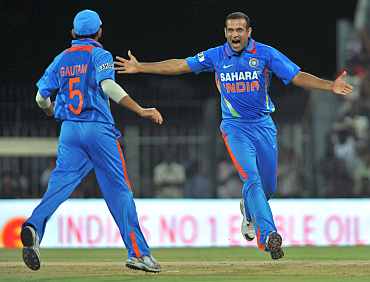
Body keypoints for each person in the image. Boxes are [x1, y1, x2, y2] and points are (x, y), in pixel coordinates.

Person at [115, 11, 353, 259]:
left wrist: (330, 86)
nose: (234, 35)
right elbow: (181, 64)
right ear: (225, 33)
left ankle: (248, 211)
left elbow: (296, 75)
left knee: (268, 187)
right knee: (252, 179)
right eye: (230, 30)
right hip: (234, 128)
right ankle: (269, 236)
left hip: (263, 126)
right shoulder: (217, 55)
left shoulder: (265, 53)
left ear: (249, 32)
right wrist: (141, 66)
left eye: (239, 30)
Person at [21, 10, 162, 273]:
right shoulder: (100, 54)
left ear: (73, 33)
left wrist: (52, 112)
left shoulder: (61, 59)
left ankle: (34, 226)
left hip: (69, 131)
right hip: (98, 130)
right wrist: (141, 110)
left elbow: (41, 98)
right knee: (119, 192)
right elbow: (108, 86)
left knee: (58, 186)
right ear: (99, 32)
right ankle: (139, 254)